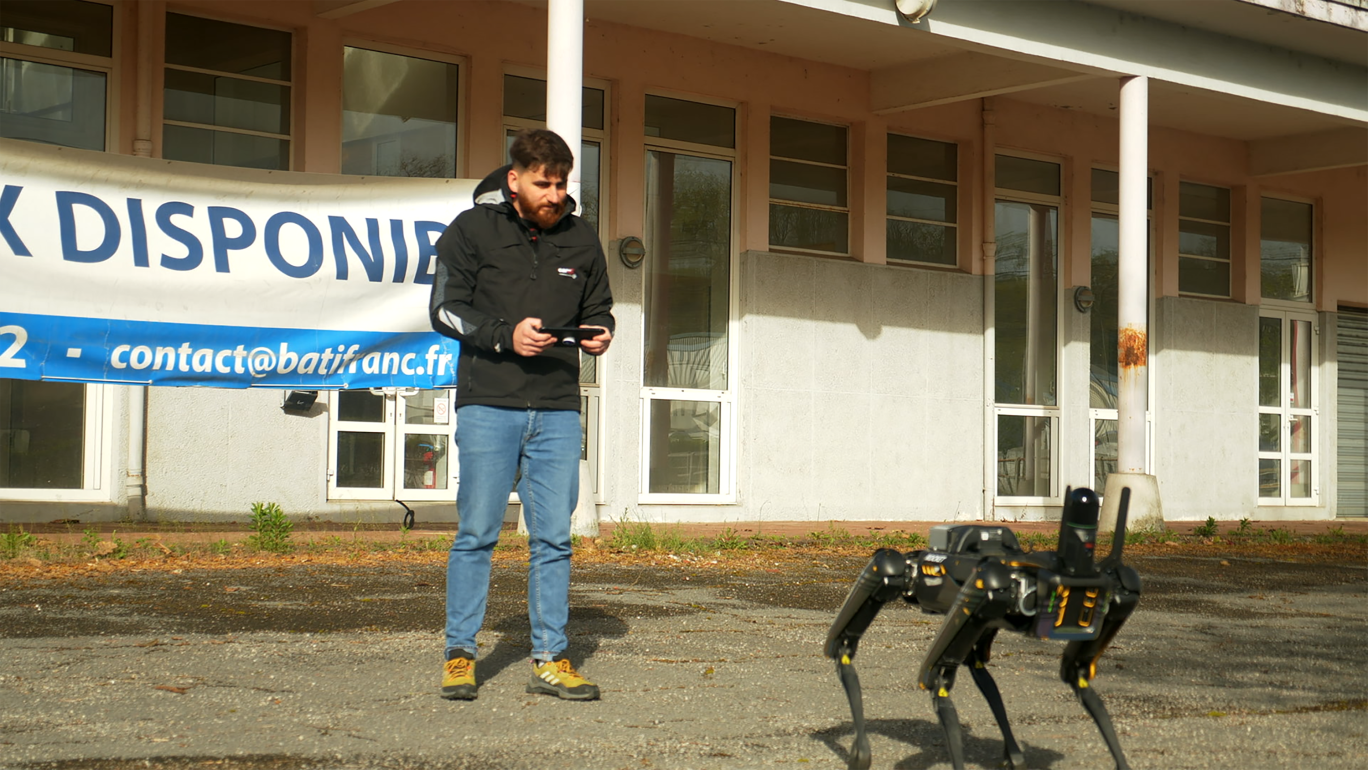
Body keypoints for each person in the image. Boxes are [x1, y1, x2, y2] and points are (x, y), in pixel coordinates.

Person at [429, 128, 614, 701]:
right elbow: (444, 311)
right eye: (543, 183)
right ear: (515, 180)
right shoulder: (470, 231)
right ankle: (460, 655)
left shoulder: (583, 239)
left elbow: (598, 306)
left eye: (561, 184)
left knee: (554, 539)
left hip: (558, 409)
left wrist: (601, 333)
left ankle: (551, 659)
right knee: (477, 534)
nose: (554, 194)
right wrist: (505, 335)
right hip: (489, 404)